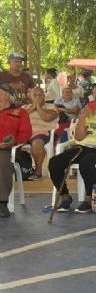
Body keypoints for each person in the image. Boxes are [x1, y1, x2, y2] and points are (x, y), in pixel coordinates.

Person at [48, 90, 96, 213]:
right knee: (54, 162)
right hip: (84, 147)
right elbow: (79, 138)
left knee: (86, 162)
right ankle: (65, 196)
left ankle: (89, 198)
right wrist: (82, 117)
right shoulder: (90, 116)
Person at [0, 82, 32, 218]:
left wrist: (14, 142)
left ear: (8, 96)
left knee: (2, 160)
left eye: (0, 93)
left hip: (8, 149)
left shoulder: (20, 113)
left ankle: (2, 203)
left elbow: (26, 133)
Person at [24, 87, 59, 179]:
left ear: (44, 96)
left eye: (39, 95)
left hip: (42, 132)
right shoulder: (25, 107)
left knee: (37, 143)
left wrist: (38, 107)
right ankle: (19, 170)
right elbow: (19, 118)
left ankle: (38, 171)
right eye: (35, 95)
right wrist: (33, 108)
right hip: (24, 132)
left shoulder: (51, 106)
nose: (37, 97)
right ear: (31, 96)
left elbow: (47, 118)